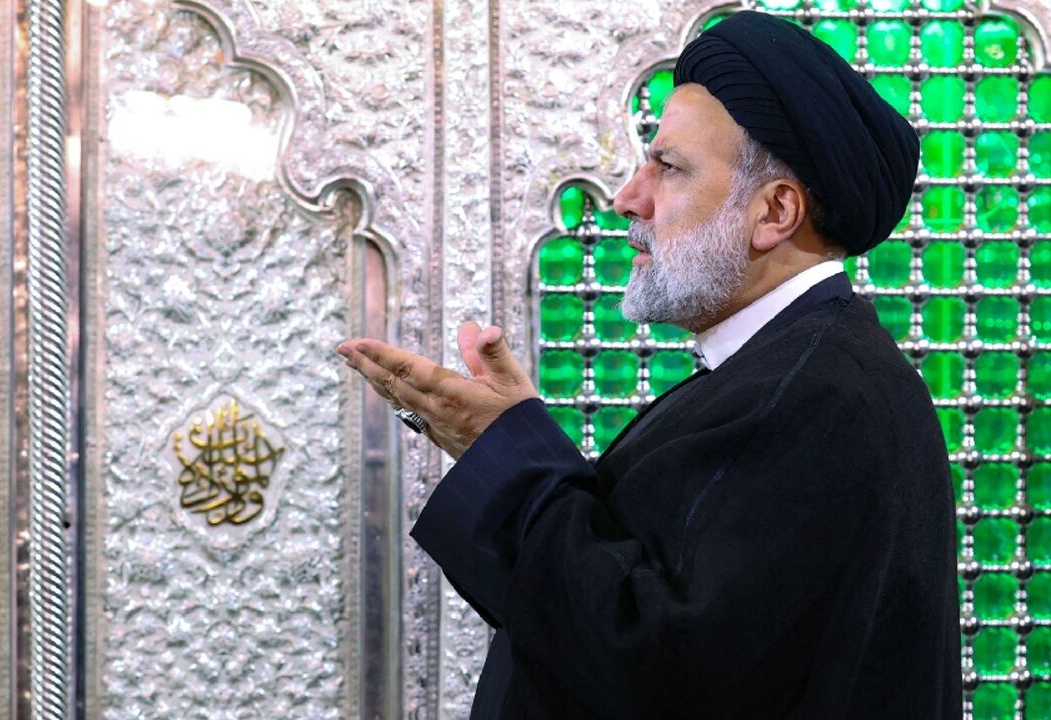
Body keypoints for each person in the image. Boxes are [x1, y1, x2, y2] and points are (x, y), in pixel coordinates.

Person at [337, 11, 961, 718]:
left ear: (774, 211)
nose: (630, 199)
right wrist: (509, 445)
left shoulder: (819, 401)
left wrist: (506, 455)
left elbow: (655, 668)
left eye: (667, 167)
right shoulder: (784, 373)